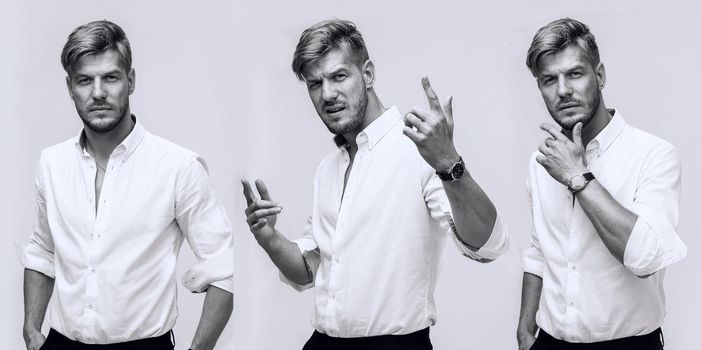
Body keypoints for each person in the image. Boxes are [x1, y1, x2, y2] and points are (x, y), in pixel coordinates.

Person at [242, 19, 508, 350]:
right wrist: (269, 238)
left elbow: (488, 245)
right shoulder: (328, 169)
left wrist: (450, 166)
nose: (327, 94)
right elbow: (310, 271)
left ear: (367, 74)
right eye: (315, 83)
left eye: (339, 76)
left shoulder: (420, 151)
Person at [19, 20, 233, 350]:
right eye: (85, 80)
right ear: (70, 87)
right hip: (62, 343)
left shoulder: (178, 167)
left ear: (130, 81)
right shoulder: (52, 163)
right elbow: (42, 252)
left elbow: (224, 267)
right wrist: (32, 330)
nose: (99, 92)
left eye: (111, 77)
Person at [516, 18, 687, 350]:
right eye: (549, 80)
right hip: (550, 343)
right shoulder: (540, 162)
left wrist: (578, 177)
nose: (563, 90)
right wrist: (525, 327)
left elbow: (645, 260)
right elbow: (541, 247)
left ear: (600, 75)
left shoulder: (654, 155)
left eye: (575, 74)